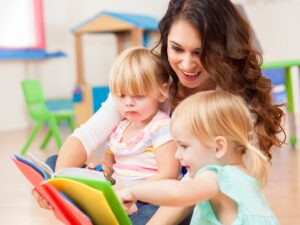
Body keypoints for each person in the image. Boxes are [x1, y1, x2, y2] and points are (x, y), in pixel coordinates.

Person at [33, 0, 285, 224]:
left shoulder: (232, 107)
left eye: (200, 53)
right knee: (58, 163)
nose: (186, 65)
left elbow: (188, 191)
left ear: (223, 50)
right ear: (165, 42)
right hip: (136, 188)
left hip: (183, 197)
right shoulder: (149, 79)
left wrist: (135, 197)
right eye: (177, 49)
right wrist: (57, 187)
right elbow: (88, 134)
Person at [117, 90, 280, 225]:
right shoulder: (242, 173)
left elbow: (179, 193)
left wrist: (133, 191)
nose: (177, 154)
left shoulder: (217, 177)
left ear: (218, 147)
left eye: (184, 146)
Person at [99, 47, 180, 214]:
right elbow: (108, 163)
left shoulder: (161, 126)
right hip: (119, 195)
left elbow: (169, 173)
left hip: (148, 199)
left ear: (162, 92)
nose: (128, 102)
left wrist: (133, 192)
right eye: (121, 95)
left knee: (147, 215)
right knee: (55, 163)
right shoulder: (119, 128)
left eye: (138, 95)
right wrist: (100, 172)